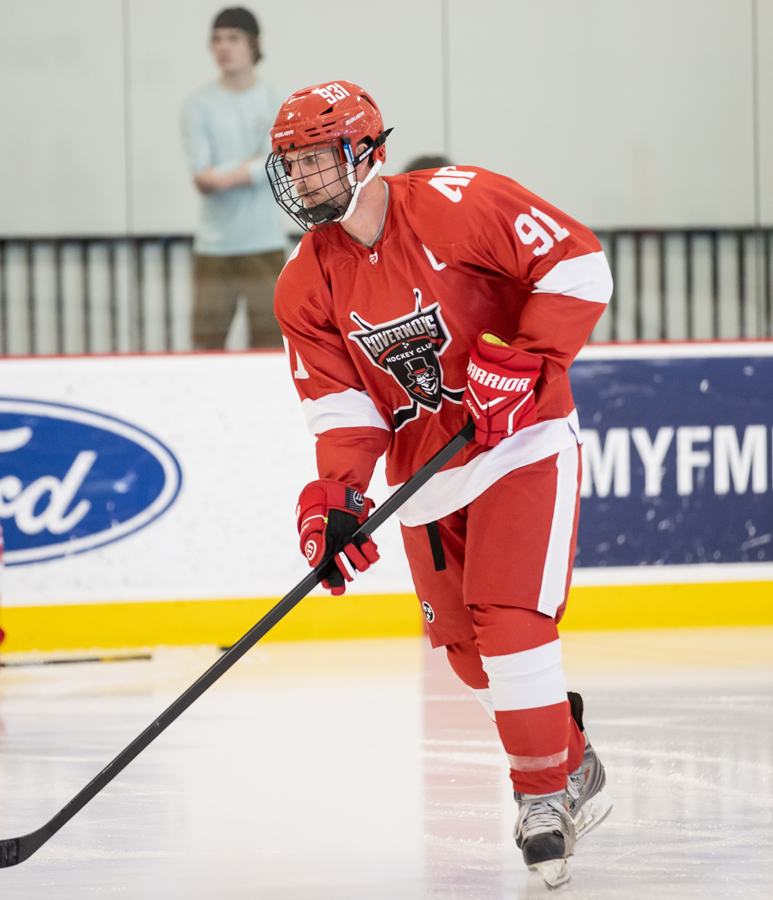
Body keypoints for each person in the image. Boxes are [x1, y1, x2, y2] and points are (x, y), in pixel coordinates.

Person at [266, 81, 614, 888]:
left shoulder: (461, 202)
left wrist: (523, 361)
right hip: (427, 475)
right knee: (465, 655)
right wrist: (340, 499)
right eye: (294, 164)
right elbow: (345, 411)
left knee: (510, 619)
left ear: (366, 152)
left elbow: (579, 263)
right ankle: (571, 756)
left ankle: (541, 798)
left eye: (318, 160)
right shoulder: (303, 282)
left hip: (520, 445)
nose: (305, 179)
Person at [180, 7, 286, 350]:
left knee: (272, 345)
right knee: (206, 345)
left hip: (265, 243)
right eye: (216, 39)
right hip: (215, 246)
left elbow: (276, 163)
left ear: (253, 45)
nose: (223, 47)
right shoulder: (198, 104)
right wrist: (252, 167)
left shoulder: (274, 101)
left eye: (233, 38)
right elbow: (202, 175)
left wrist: (225, 174)